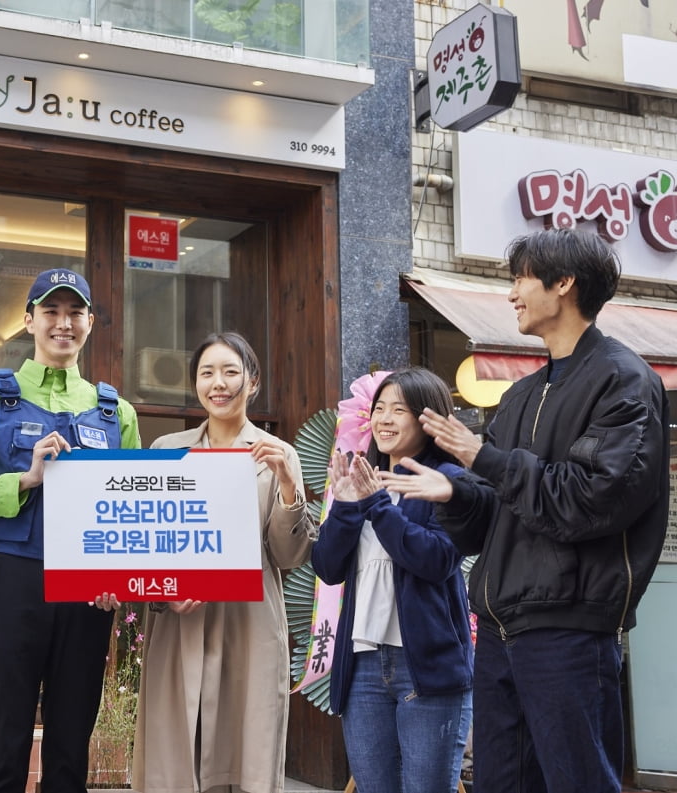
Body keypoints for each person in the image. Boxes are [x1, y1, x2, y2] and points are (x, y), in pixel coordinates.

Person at [380, 229, 670, 793]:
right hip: (498, 628)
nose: (511, 293)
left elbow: (588, 502)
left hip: (571, 628)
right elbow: (494, 518)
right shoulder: (517, 395)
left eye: (519, 278)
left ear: (563, 284)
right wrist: (458, 493)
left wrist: (484, 458)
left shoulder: (623, 379)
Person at [0, 267, 142, 793]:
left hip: (88, 593)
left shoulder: (115, 412)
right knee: (4, 744)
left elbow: (134, 506)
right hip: (14, 582)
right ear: (29, 321)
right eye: (51, 311)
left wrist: (118, 578)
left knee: (71, 749)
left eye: (75, 312)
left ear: (91, 323)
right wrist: (23, 479)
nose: (63, 323)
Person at [133, 331, 314, 793]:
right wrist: (166, 594)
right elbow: (149, 546)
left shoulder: (278, 454)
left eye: (231, 371)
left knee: (243, 761)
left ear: (252, 382)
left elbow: (288, 554)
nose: (219, 383)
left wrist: (291, 488)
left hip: (247, 624)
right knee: (173, 760)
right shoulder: (166, 452)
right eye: (207, 372)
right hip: (180, 625)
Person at [311, 367, 473, 793]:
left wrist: (379, 505)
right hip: (363, 666)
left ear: (427, 418)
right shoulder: (360, 479)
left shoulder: (448, 481)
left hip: (426, 669)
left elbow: (436, 560)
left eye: (398, 409)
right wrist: (346, 506)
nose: (383, 418)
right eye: (378, 408)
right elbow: (327, 567)